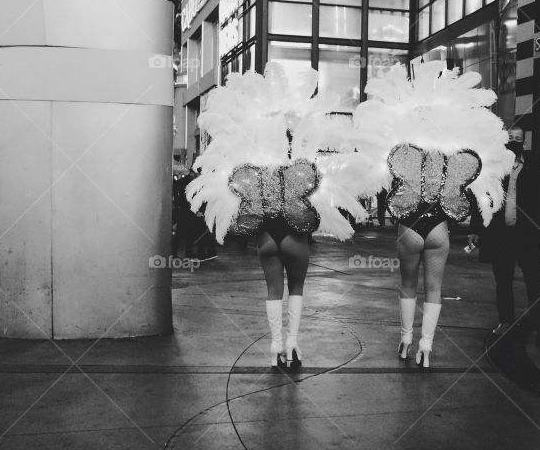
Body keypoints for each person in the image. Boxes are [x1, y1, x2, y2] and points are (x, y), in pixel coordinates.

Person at [187, 63, 370, 371]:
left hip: (266, 239)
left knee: (273, 291)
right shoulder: (301, 167)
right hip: (295, 238)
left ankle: (274, 347)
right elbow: (321, 195)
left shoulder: (256, 168)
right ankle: (292, 345)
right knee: (296, 288)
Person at [353, 61, 511, 368]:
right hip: (439, 229)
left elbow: (382, 174)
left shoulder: (403, 152)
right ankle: (426, 347)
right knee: (435, 288)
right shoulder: (450, 153)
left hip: (409, 227)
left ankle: (406, 340)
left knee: (408, 284)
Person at [468, 124, 540, 343]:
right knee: (503, 280)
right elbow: (482, 199)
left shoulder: (537, 168)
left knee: (534, 279)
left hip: (528, 234)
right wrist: (475, 229)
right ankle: (505, 321)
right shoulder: (493, 169)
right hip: (501, 234)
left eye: (518, 139)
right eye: (510, 138)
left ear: (524, 143)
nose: (514, 142)